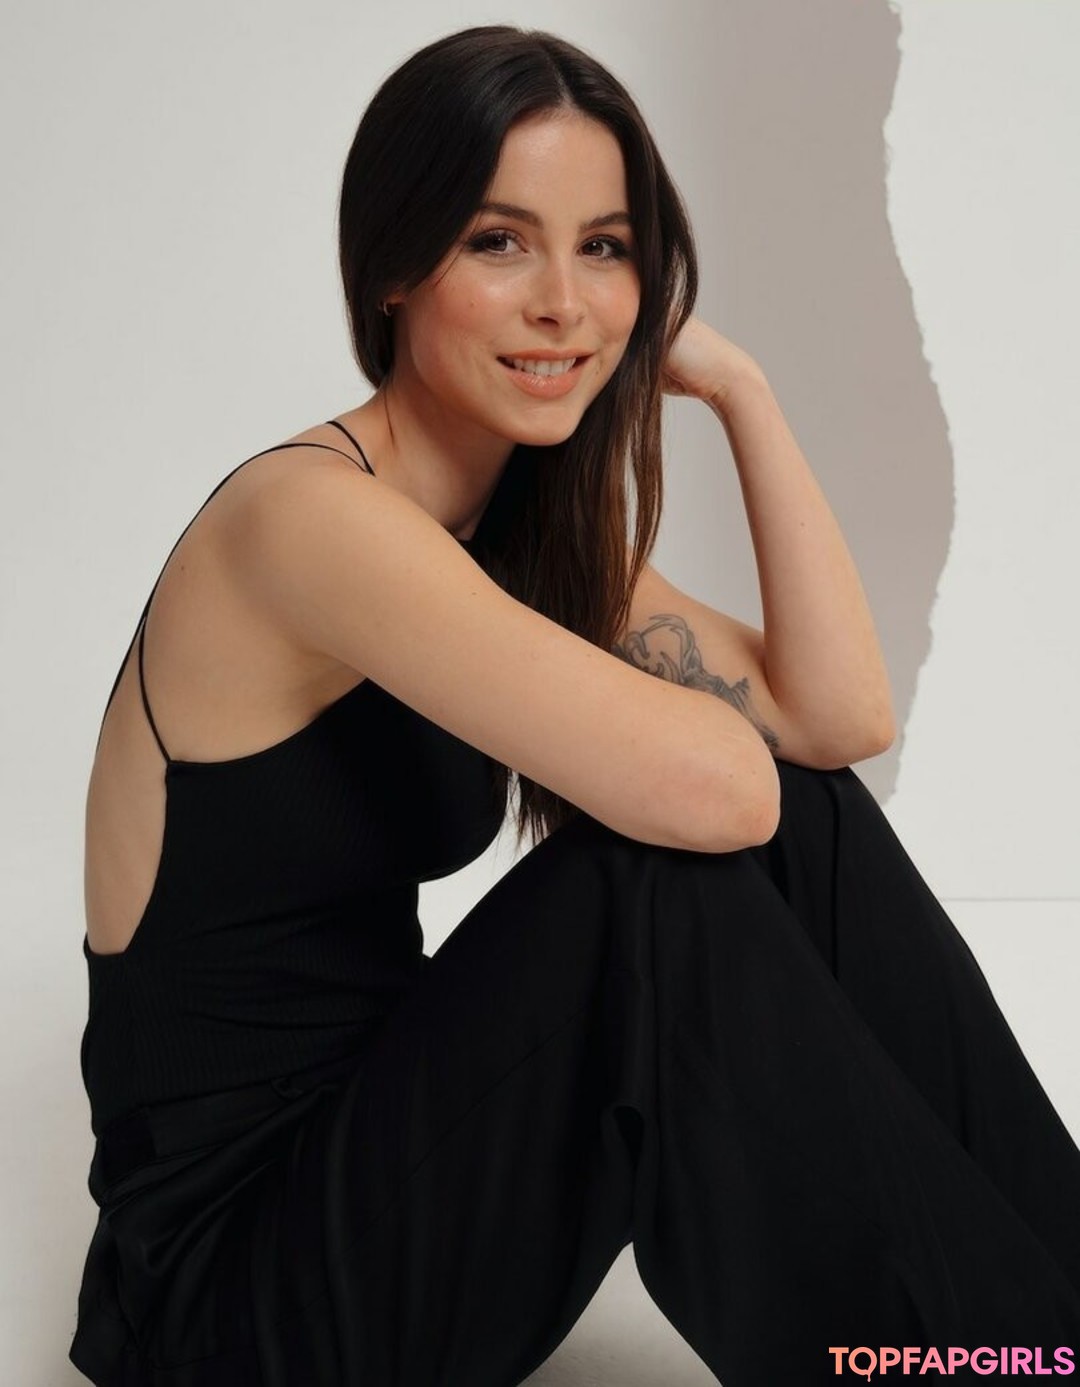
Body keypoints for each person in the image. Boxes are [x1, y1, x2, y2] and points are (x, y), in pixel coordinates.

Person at [69, 23, 1080, 1387]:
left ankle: (1050, 1322)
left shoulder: (501, 531)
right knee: (650, 894)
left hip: (392, 1172)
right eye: (499, 241)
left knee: (813, 819)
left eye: (604, 247)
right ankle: (1003, 1366)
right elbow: (721, 790)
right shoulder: (310, 523)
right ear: (392, 268)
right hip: (230, 1303)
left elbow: (833, 723)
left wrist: (742, 390)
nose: (563, 301)